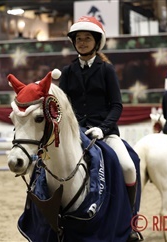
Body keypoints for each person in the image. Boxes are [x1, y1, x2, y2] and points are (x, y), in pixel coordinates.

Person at [59, 16, 139, 240]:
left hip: (105, 132)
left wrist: (103, 129)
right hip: (76, 133)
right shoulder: (67, 71)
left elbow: (116, 105)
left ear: (96, 42)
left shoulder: (107, 70)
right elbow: (63, 106)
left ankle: (130, 221)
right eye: (78, 39)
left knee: (128, 167)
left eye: (87, 38)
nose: (82, 42)